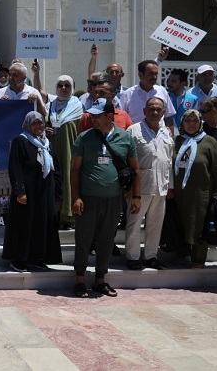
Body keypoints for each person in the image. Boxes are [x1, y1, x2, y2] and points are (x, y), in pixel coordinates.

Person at [70, 98, 140, 298]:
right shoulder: (84, 138)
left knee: (106, 240)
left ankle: (101, 279)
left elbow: (135, 169)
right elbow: (74, 170)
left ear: (110, 116)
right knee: (83, 239)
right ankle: (80, 279)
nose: (92, 118)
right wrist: (76, 197)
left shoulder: (125, 138)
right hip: (88, 198)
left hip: (113, 199)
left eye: (97, 115)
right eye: (91, 115)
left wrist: (136, 196)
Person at [3, 111, 62, 272]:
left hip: (45, 192)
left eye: (40, 123)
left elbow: (56, 169)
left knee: (43, 224)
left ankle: (37, 258)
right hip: (28, 193)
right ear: (28, 125)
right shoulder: (20, 142)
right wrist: (20, 191)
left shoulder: (47, 144)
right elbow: (15, 168)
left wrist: (58, 193)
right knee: (24, 224)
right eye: (34, 123)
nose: (38, 126)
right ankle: (18, 259)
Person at [123, 97, 174, 270]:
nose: (154, 112)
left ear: (163, 112)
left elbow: (168, 161)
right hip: (140, 187)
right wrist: (129, 186)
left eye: (158, 109)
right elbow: (126, 161)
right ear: (144, 111)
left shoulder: (166, 132)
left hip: (161, 187)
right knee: (134, 223)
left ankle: (151, 256)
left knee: (155, 224)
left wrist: (171, 186)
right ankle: (133, 257)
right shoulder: (133, 131)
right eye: (151, 109)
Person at [172, 109, 217, 268]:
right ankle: (182, 254)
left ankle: (198, 259)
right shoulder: (176, 141)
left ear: (201, 123)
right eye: (188, 121)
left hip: (201, 192)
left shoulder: (209, 142)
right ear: (182, 123)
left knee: (199, 224)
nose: (191, 124)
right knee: (180, 223)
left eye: (195, 121)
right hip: (179, 193)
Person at [44, 75, 83, 230]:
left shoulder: (77, 106)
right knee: (53, 179)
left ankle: (68, 216)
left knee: (67, 178)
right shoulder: (50, 106)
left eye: (67, 85)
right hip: (52, 148)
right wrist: (45, 130)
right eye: (60, 85)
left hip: (70, 149)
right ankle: (54, 214)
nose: (63, 88)